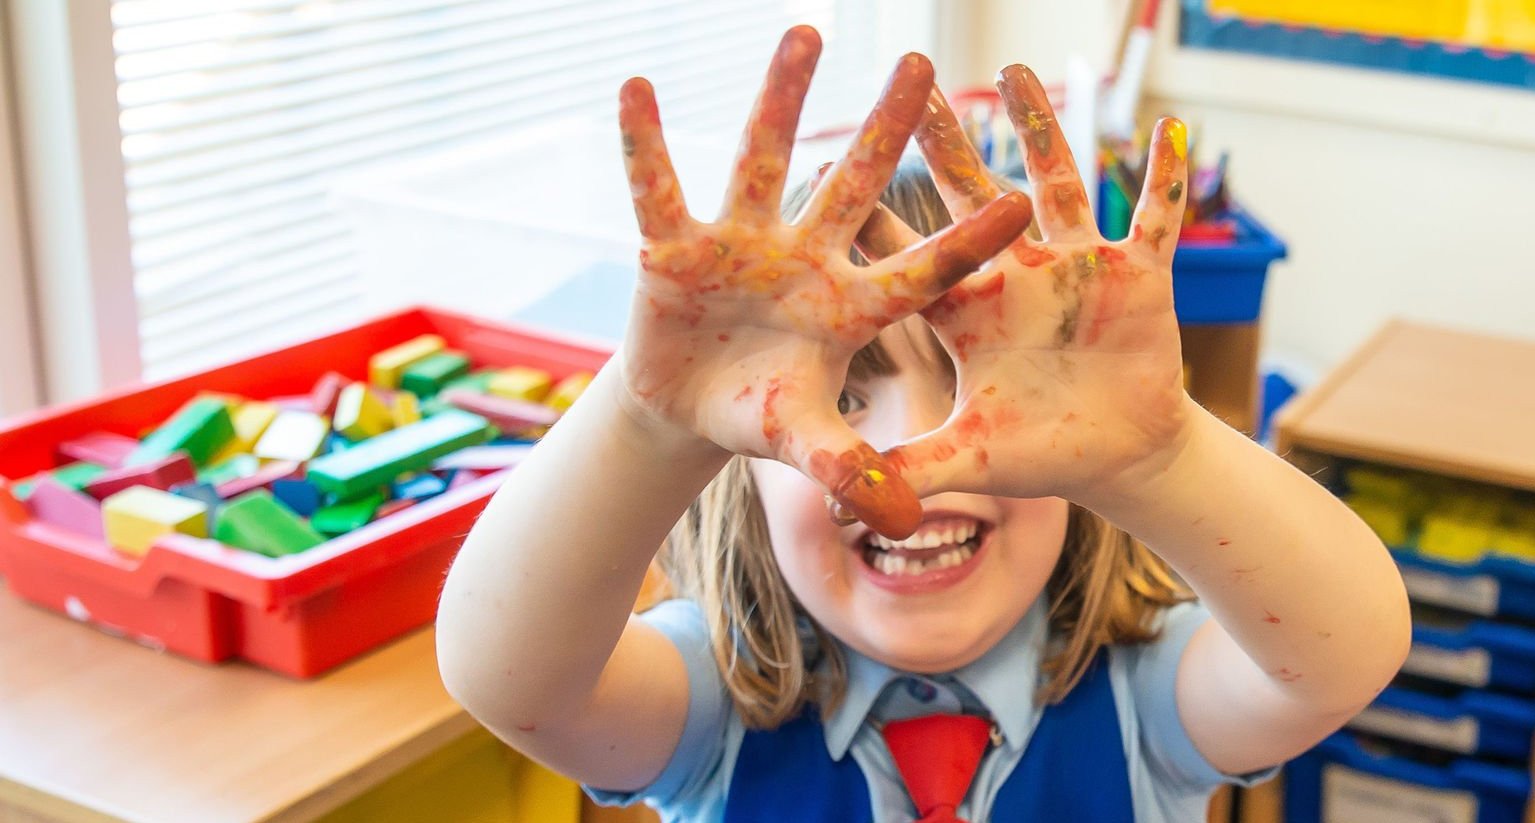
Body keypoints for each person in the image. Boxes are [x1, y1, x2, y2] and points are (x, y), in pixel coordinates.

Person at [434, 24, 1409, 822]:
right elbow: (508, 678)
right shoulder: (703, 708)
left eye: (962, 391)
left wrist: (1161, 454)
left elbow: (1344, 655)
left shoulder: (1146, 695)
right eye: (845, 400)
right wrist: (649, 421)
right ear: (731, 473)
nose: (903, 473)